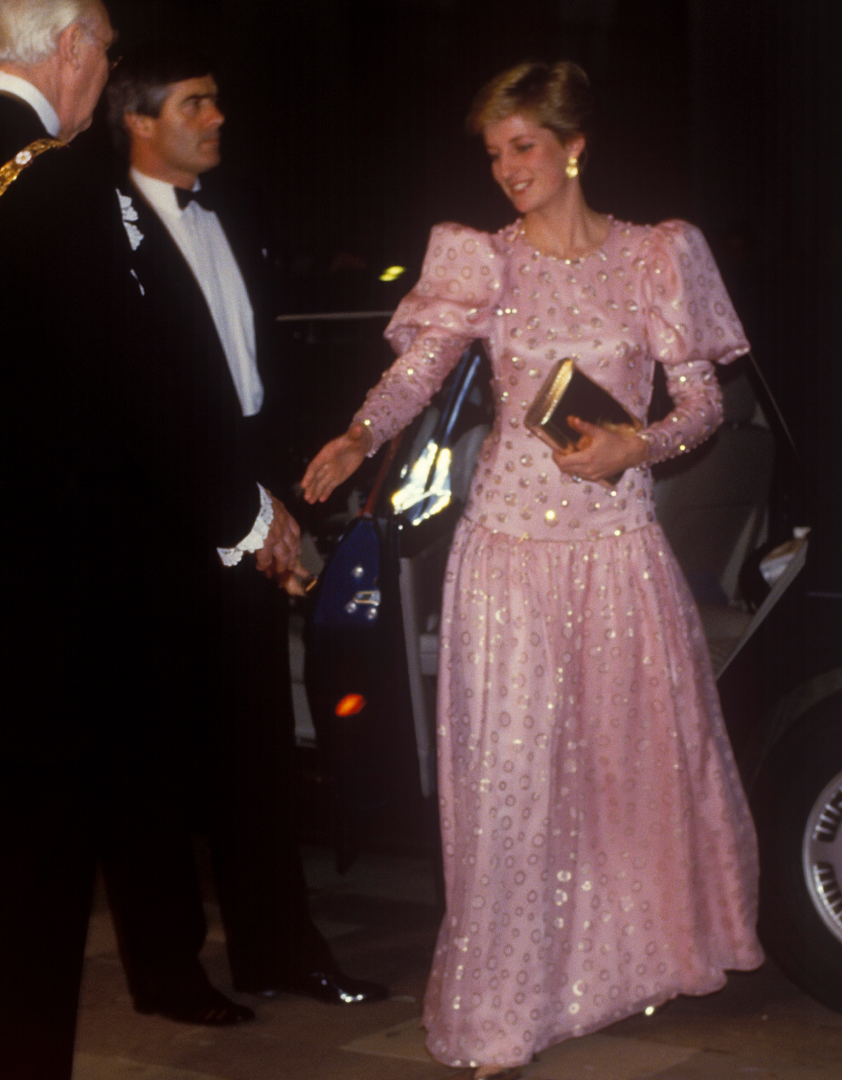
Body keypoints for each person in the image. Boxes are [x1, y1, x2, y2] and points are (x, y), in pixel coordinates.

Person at [299, 60, 762, 1080]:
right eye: (495, 153)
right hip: (505, 553)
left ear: (573, 145)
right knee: (510, 779)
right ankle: (505, 1001)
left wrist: (631, 447)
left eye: (525, 148)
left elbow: (702, 406)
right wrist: (357, 432)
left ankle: (612, 966)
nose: (509, 170)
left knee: (621, 770)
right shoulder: (483, 263)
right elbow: (416, 371)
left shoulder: (657, 257)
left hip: (616, 548)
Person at [0, 2, 297, 1076]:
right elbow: (148, 382)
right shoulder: (64, 184)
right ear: (67, 46)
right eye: (105, 48)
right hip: (56, 613)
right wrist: (250, 520)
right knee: (38, 911)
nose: (106, 73)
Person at [103, 40, 388, 1011]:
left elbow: (259, 388)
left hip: (250, 522)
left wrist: (287, 516)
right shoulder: (106, 235)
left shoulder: (234, 217)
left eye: (218, 101)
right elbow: (145, 407)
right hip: (157, 534)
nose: (217, 118)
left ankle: (279, 949)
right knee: (155, 766)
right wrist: (236, 509)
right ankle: (167, 971)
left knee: (258, 753)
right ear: (139, 119)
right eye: (197, 103)